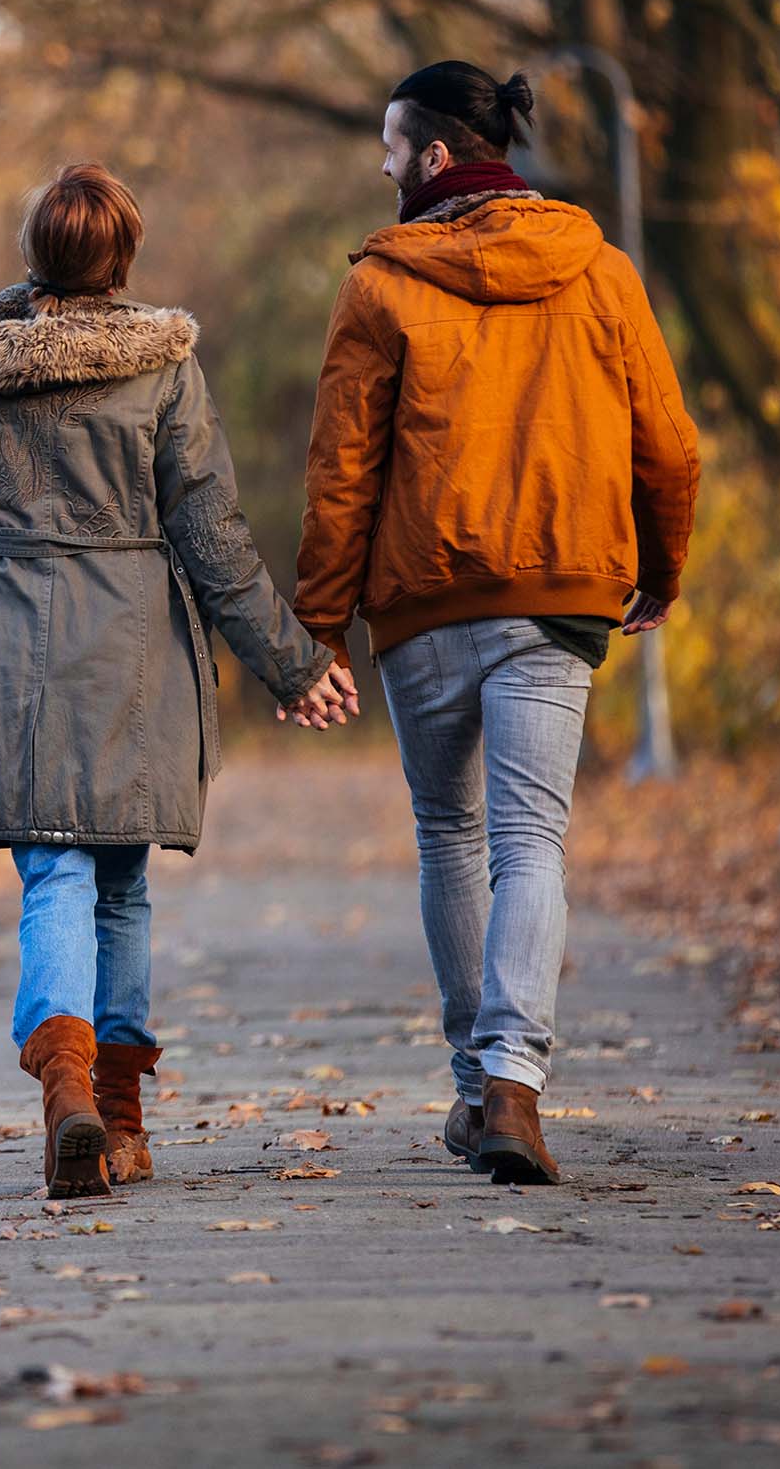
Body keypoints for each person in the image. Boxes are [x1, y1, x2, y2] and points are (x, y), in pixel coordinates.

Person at [0, 162, 358, 1199]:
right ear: (125, 260)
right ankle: (123, 1114)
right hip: (133, 655)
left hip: (8, 654)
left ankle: (64, 1088)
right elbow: (211, 535)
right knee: (122, 884)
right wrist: (293, 659)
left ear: (33, 255)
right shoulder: (164, 369)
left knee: (51, 873)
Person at [296, 60, 701, 1186]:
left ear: (431, 157)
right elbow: (666, 441)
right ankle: (515, 1082)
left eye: (389, 147)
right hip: (563, 593)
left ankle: (477, 1090)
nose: (381, 167)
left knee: (450, 833)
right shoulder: (599, 268)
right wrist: (659, 566)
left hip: (424, 602)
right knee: (532, 841)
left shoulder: (381, 284)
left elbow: (341, 473)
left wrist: (320, 627)